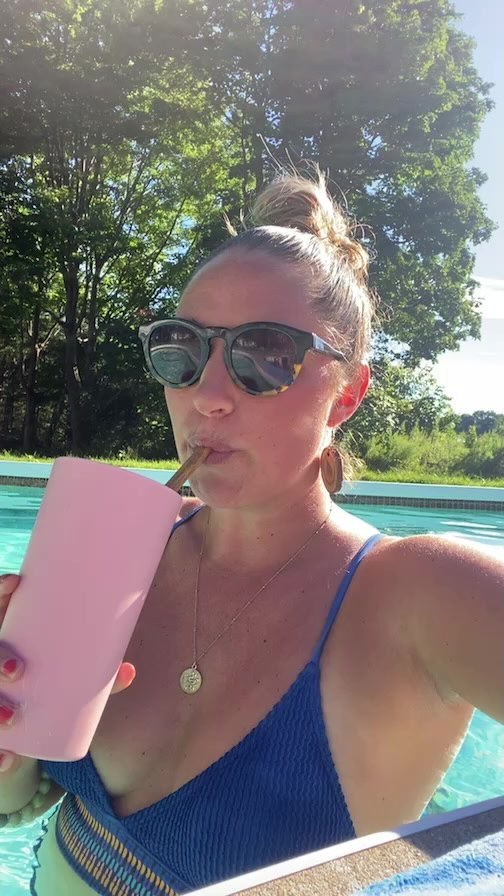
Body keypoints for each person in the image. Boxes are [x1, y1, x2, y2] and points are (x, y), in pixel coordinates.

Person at [0, 169, 503, 896]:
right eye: (181, 349)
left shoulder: (419, 594)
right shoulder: (123, 554)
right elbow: (20, 800)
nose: (207, 396)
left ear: (347, 395)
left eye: (266, 355)